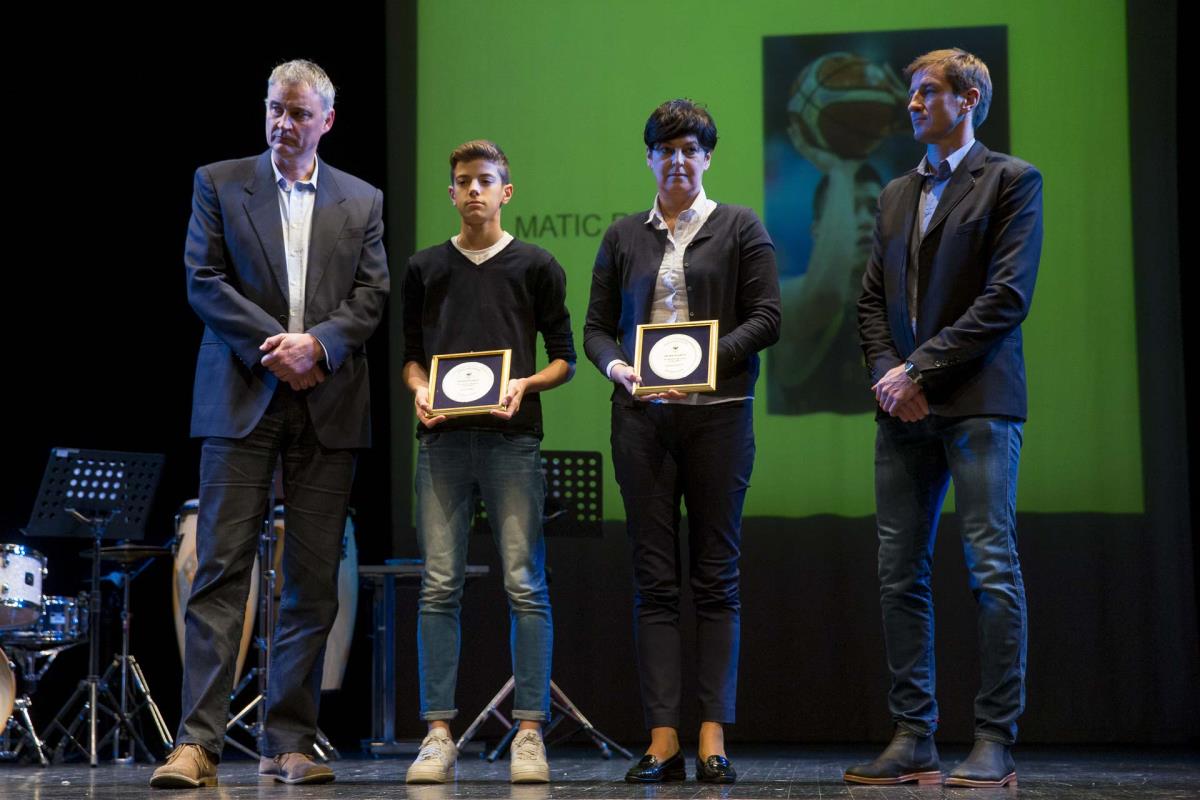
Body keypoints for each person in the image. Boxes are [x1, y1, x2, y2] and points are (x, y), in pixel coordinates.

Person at [151, 59, 389, 789]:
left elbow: (372, 295)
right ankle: (198, 744)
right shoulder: (219, 182)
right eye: (275, 109)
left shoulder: (362, 199)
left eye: (299, 113)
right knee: (221, 570)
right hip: (240, 394)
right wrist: (281, 349)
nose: (284, 124)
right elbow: (203, 281)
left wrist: (318, 346)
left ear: (327, 121)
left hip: (329, 399)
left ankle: (289, 742)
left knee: (312, 581)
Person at [845, 48, 1042, 789]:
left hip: (979, 401)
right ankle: (914, 736)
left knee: (991, 569)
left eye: (927, 92)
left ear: (968, 99)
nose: (913, 104)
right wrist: (889, 377)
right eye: (912, 94)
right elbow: (871, 302)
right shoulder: (898, 192)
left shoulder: (1012, 180)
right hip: (904, 408)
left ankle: (994, 739)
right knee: (899, 574)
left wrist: (919, 370)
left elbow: (1006, 298)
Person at [583, 100, 780, 784]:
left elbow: (768, 317)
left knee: (717, 578)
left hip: (719, 416)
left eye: (690, 149)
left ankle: (712, 735)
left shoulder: (740, 226)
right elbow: (596, 329)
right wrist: (619, 368)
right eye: (665, 149)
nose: (677, 160)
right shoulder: (622, 235)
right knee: (654, 580)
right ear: (649, 159)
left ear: (707, 158)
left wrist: (704, 360)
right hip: (641, 421)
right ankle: (663, 737)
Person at [401, 140, 575, 785]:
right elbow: (411, 357)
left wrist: (525, 384)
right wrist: (419, 389)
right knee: (438, 585)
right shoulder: (424, 267)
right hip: (442, 443)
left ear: (507, 191)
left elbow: (564, 357)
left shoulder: (537, 264)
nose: (474, 190)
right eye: (463, 181)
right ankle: (438, 735)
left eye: (485, 180)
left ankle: (529, 733)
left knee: (525, 585)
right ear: (450, 193)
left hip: (512, 441)